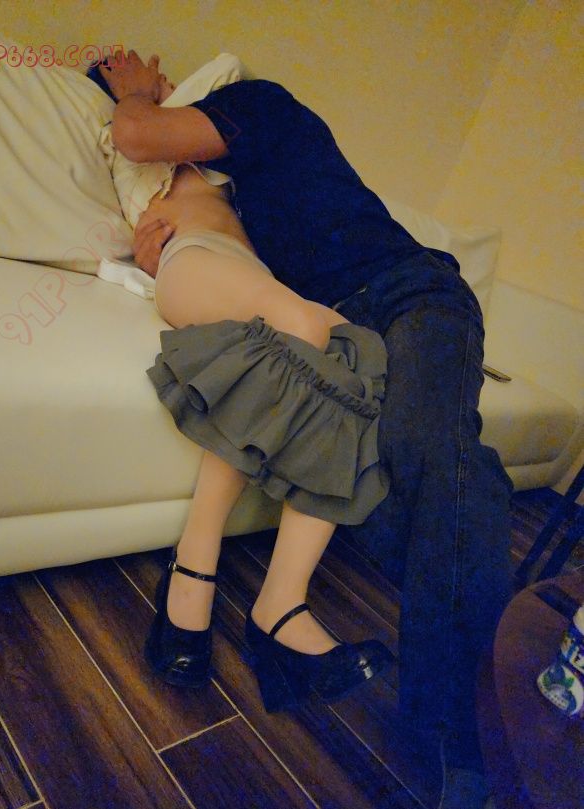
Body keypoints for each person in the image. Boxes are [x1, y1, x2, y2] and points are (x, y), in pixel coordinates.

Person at [98, 50, 515, 809]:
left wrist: (138, 93)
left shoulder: (261, 105)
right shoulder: (235, 199)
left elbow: (140, 133)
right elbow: (217, 257)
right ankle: (283, 619)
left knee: (429, 450)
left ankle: (476, 744)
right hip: (334, 320)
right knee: (377, 460)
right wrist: (163, 248)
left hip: (408, 294)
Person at [95, 53, 394, 712]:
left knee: (359, 354)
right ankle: (197, 564)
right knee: (300, 325)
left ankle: (280, 606)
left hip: (251, 273)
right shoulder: (135, 141)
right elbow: (135, 134)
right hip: (194, 259)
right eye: (161, 84)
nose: (170, 86)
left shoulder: (228, 148)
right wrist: (134, 91)